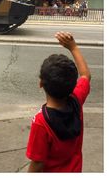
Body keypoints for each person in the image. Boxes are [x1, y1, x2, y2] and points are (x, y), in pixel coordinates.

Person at [26, 31, 91, 172]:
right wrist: (73, 47)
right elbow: (85, 75)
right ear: (73, 85)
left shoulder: (40, 122)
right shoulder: (76, 100)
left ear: (41, 83)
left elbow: (37, 164)